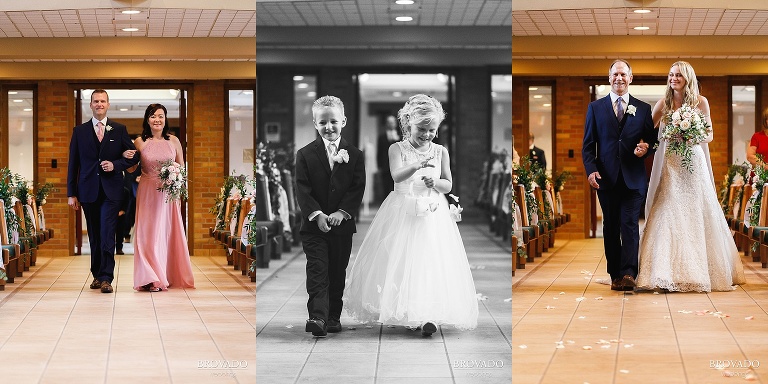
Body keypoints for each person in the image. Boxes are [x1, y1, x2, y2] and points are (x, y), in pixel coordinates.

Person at [343, 94, 478, 336]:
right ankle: (407, 310)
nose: (427, 134)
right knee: (402, 260)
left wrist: (435, 181)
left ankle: (430, 314)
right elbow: (396, 175)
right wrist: (416, 165)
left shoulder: (441, 152)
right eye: (422, 129)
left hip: (432, 211)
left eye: (432, 130)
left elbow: (448, 184)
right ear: (408, 124)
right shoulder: (397, 148)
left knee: (430, 259)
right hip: (402, 209)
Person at [637, 61, 746, 292]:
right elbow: (649, 130)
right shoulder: (663, 104)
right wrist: (654, 139)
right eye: (671, 75)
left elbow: (709, 134)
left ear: (687, 78)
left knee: (697, 209)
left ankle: (700, 271)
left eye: (678, 75)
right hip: (671, 163)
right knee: (668, 208)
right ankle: (664, 271)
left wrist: (691, 136)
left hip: (693, 162)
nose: (673, 78)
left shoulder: (700, 102)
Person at [582, 59, 656, 291]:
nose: (619, 78)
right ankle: (615, 272)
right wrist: (591, 169)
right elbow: (588, 146)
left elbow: (651, 142)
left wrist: (645, 149)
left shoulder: (643, 109)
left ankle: (629, 273)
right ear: (609, 78)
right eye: (615, 74)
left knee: (630, 224)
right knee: (611, 226)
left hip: (633, 179)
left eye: (623, 74)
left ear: (630, 78)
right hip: (606, 178)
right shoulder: (595, 108)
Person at [295, 96, 366, 337]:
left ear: (343, 121)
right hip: (314, 226)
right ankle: (317, 317)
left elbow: (357, 189)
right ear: (315, 124)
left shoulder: (355, 155)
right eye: (322, 122)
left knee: (337, 271)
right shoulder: (304, 154)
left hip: (342, 227)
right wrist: (317, 215)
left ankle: (333, 316)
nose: (328, 126)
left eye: (333, 121)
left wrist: (341, 213)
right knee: (317, 269)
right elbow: (302, 189)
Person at [67, 89, 139, 294]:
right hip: (88, 191)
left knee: (107, 233)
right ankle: (97, 275)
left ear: (108, 105)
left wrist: (116, 164)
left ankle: (107, 277)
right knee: (95, 235)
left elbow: (134, 157)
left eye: (103, 101)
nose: (99, 104)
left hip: (111, 192)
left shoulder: (119, 129)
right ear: (90, 105)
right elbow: (73, 164)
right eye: (96, 101)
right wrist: (71, 194)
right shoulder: (79, 132)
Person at [126, 103, 195, 292]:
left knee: (165, 234)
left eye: (161, 116)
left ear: (165, 119)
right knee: (147, 235)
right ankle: (150, 278)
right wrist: (127, 157)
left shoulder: (174, 141)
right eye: (153, 116)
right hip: (148, 190)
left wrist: (176, 176)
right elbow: (131, 169)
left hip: (168, 194)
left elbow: (181, 167)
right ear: (147, 120)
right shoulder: (140, 141)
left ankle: (164, 275)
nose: (157, 119)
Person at [377, 115, 400, 197]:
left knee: (396, 188)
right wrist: (379, 166)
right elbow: (379, 152)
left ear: (395, 124)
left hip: (398, 166)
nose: (391, 124)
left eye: (392, 122)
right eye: (389, 122)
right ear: (386, 124)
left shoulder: (400, 137)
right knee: (386, 189)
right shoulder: (381, 137)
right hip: (385, 167)